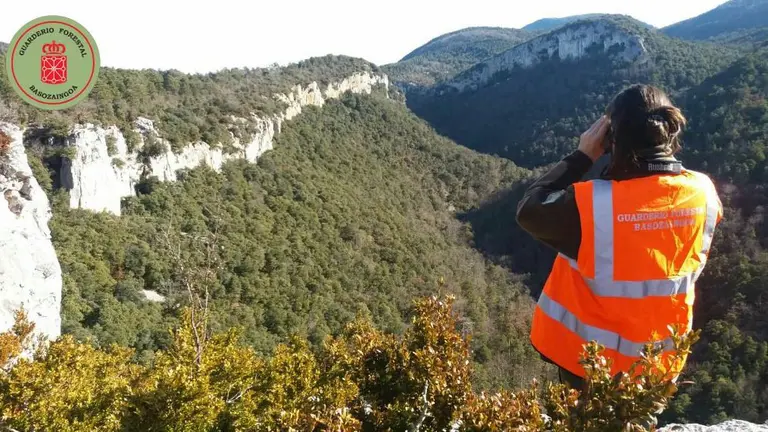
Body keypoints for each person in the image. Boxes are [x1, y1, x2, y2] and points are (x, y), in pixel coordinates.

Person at [516, 84, 723, 390]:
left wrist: (582, 156)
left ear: (612, 139)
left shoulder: (594, 205)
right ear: (670, 132)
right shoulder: (703, 192)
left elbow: (529, 210)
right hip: (656, 366)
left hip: (589, 365)